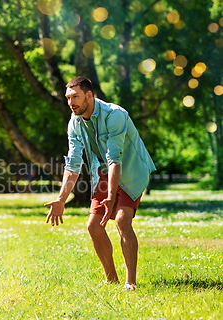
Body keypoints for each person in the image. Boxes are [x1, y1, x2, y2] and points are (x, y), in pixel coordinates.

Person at [44, 77, 156, 290]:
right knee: (94, 225)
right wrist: (61, 199)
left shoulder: (115, 115)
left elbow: (116, 158)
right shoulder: (74, 122)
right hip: (106, 170)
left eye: (75, 96)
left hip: (131, 169)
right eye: (68, 98)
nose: (70, 102)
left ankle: (130, 282)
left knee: (122, 220)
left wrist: (112, 198)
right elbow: (74, 163)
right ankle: (111, 279)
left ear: (89, 95)